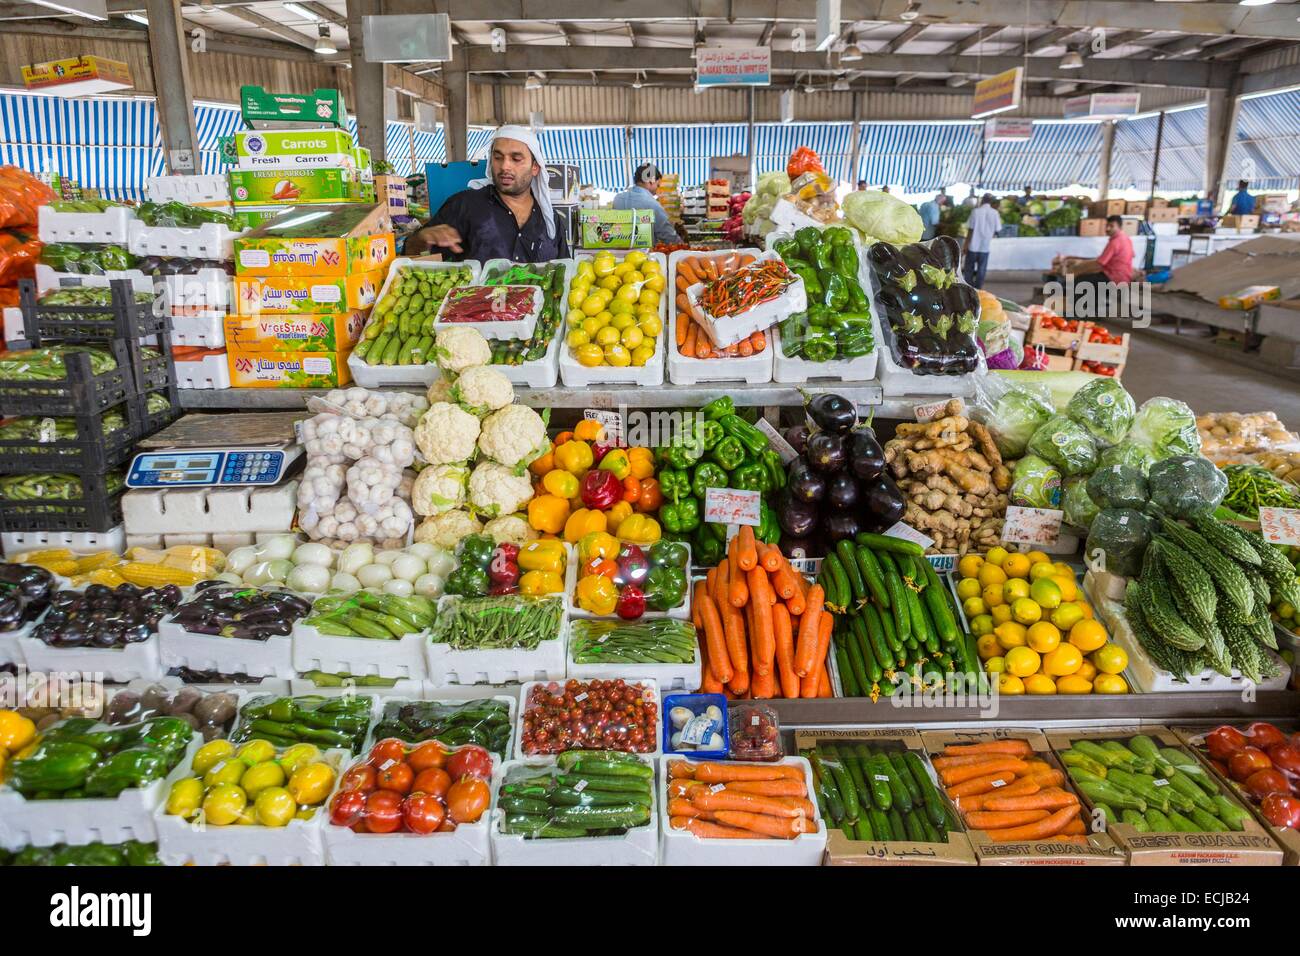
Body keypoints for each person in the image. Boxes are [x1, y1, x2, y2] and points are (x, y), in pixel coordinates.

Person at [405, 125, 570, 262]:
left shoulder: (550, 220)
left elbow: (564, 273)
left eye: (516, 159)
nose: (505, 166)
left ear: (535, 167)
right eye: (498, 157)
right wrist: (422, 238)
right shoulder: (465, 205)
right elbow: (411, 253)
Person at [1054, 215, 1135, 288]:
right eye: (1107, 225)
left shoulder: (1115, 242)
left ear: (1119, 227)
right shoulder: (1126, 239)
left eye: (1111, 226)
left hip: (1114, 278)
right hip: (1124, 277)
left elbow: (1099, 263)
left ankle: (1081, 304)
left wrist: (1078, 269)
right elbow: (1132, 255)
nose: (1107, 228)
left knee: (1079, 281)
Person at [612, 162, 682, 246]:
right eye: (657, 185)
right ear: (651, 181)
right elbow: (669, 236)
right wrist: (683, 246)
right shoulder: (653, 205)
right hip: (644, 256)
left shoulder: (618, 199)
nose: (657, 189)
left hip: (618, 254)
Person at [962, 194, 1000, 289]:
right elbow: (998, 229)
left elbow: (970, 230)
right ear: (991, 202)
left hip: (973, 246)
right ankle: (978, 289)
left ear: (982, 200)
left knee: (969, 269)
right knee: (981, 270)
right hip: (985, 246)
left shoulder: (975, 211)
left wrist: (966, 244)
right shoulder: (995, 213)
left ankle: (969, 288)